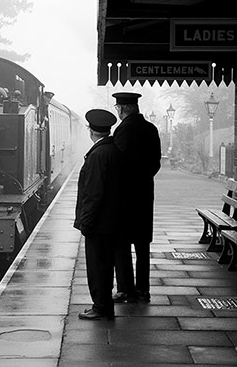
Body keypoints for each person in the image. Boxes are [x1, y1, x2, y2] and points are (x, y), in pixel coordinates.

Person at [111, 92, 162, 303]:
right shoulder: (151, 129)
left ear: (123, 109)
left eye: (118, 109)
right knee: (142, 245)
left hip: (125, 196)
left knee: (121, 244)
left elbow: (119, 163)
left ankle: (125, 290)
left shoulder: (122, 130)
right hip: (144, 193)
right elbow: (156, 162)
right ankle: (143, 289)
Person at [74, 108, 123, 320]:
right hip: (111, 219)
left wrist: (86, 222)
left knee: (98, 266)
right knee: (106, 263)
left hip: (100, 222)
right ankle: (104, 305)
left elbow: (93, 193)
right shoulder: (113, 149)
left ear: (91, 130)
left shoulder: (98, 154)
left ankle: (101, 307)